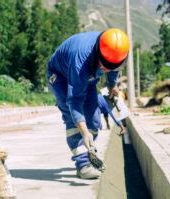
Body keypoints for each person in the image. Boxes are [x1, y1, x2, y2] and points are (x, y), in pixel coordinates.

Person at [47, 28, 130, 179]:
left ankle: (89, 153)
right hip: (60, 76)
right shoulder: (81, 61)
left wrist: (112, 85)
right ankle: (83, 164)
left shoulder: (116, 51)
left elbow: (113, 68)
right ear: (98, 53)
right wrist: (84, 132)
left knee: (94, 120)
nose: (106, 69)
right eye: (104, 66)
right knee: (73, 119)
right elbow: (75, 101)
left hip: (89, 76)